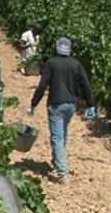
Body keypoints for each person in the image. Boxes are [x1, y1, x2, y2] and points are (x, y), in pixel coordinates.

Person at [27, 37, 96, 183]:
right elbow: (86, 84)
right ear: (69, 49)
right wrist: (90, 104)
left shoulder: (51, 63)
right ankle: (57, 162)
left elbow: (42, 85)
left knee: (57, 137)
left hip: (56, 105)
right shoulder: (76, 64)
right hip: (71, 105)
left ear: (57, 47)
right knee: (62, 134)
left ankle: (62, 172)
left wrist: (33, 103)